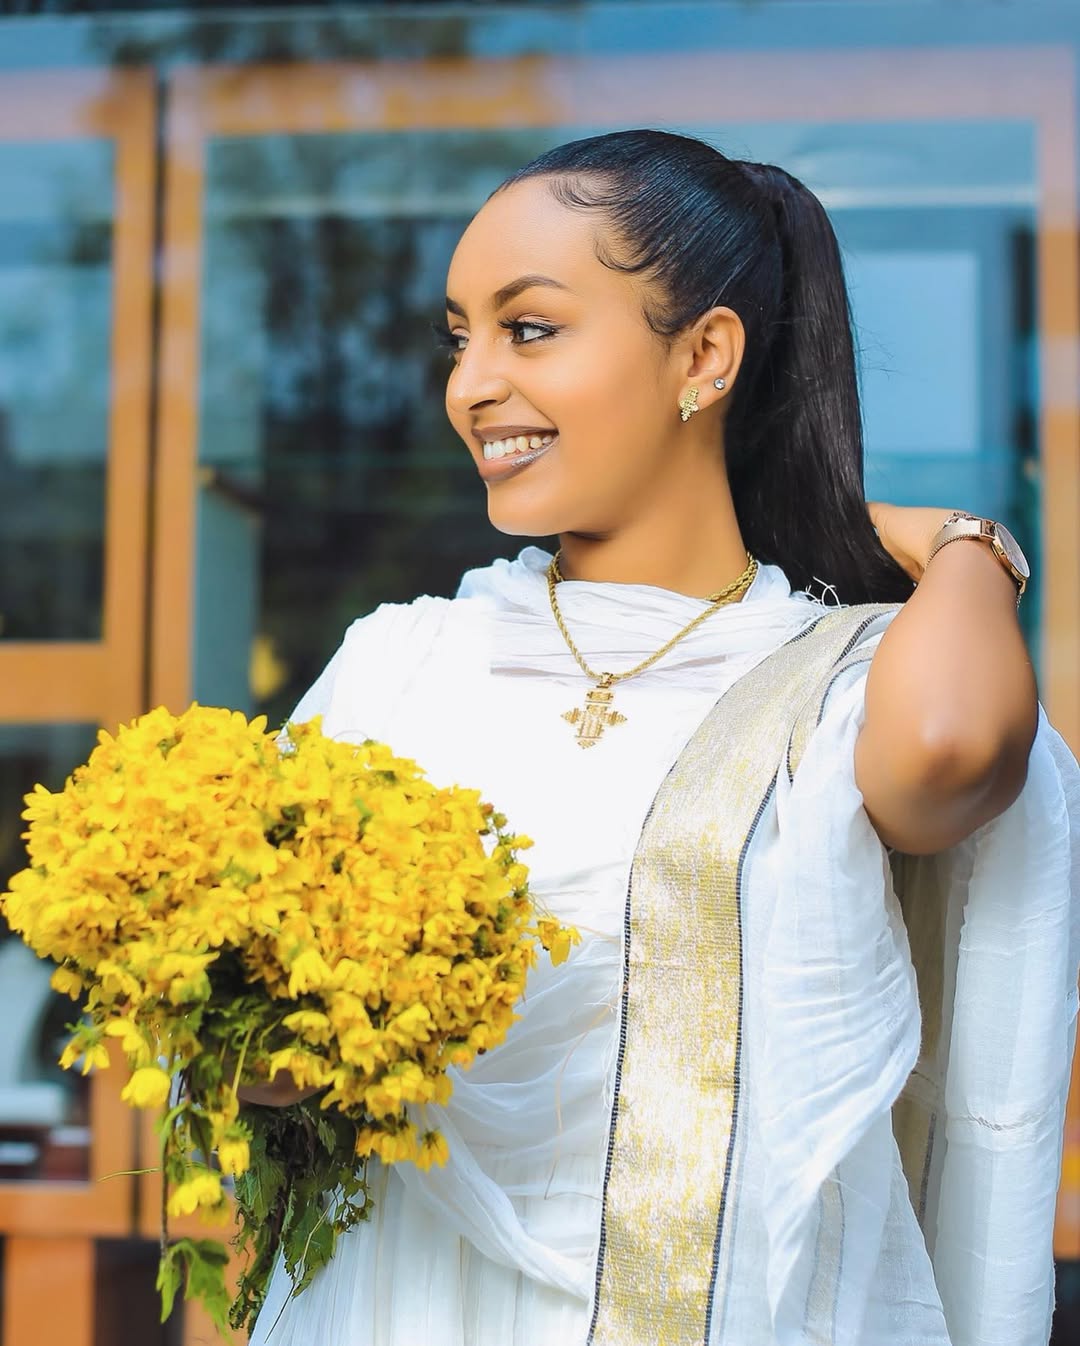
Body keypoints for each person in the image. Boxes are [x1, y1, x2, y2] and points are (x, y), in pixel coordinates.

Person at [244, 130, 1080, 1346]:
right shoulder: (405, 664)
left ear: (704, 354)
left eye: (527, 329)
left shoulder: (829, 677)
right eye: (458, 335)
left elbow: (954, 753)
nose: (470, 383)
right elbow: (273, 1064)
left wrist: (963, 545)